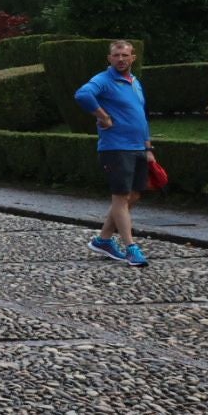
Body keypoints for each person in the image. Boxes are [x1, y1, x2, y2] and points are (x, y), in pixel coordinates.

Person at [75, 39, 154, 267]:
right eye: (116, 56)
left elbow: (142, 116)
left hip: (138, 147)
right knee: (120, 197)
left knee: (134, 196)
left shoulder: (135, 82)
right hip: (116, 148)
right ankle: (131, 248)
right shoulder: (104, 80)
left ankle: (103, 240)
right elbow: (82, 95)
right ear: (109, 59)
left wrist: (148, 148)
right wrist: (103, 116)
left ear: (133, 58)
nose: (121, 59)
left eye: (125, 55)